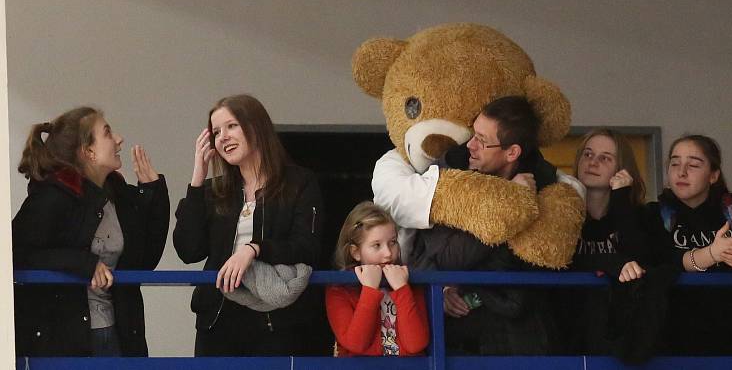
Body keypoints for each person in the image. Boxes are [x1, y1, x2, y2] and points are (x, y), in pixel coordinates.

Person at [173, 94, 328, 356]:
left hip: (275, 320)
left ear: (256, 127)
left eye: (231, 126)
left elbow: (307, 247)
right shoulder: (213, 190)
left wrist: (255, 249)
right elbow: (189, 251)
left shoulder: (299, 182)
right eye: (216, 131)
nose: (222, 137)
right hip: (217, 317)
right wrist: (198, 178)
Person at [406, 95, 563, 355]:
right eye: (473, 134)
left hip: (522, 334)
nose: (470, 145)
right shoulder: (452, 177)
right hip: (456, 334)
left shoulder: (546, 190)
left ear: (512, 152)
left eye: (482, 140)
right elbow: (442, 254)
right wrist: (509, 204)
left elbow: (540, 260)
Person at [12, 106, 169, 357]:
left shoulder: (116, 192)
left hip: (119, 333)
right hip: (67, 340)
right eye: (107, 133)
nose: (119, 139)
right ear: (88, 152)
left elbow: (145, 261)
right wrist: (83, 263)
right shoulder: (53, 196)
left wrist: (154, 192)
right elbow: (17, 252)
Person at [648, 134, 732, 356]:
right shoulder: (654, 212)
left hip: (721, 334)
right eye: (674, 163)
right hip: (663, 336)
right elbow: (664, 261)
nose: (681, 172)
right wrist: (712, 253)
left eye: (693, 165)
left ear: (713, 175)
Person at [557, 128, 649, 355]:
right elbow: (564, 258)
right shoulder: (560, 213)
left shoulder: (639, 214)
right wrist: (611, 263)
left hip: (620, 334)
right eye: (587, 154)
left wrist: (620, 197)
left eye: (605, 158)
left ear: (622, 168)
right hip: (566, 328)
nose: (593, 162)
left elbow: (641, 256)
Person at [325, 202, 429, 357]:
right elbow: (356, 344)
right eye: (376, 245)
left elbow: (416, 344)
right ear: (356, 252)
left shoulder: (408, 282)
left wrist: (402, 289)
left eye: (392, 242)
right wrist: (370, 291)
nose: (388, 253)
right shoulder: (339, 289)